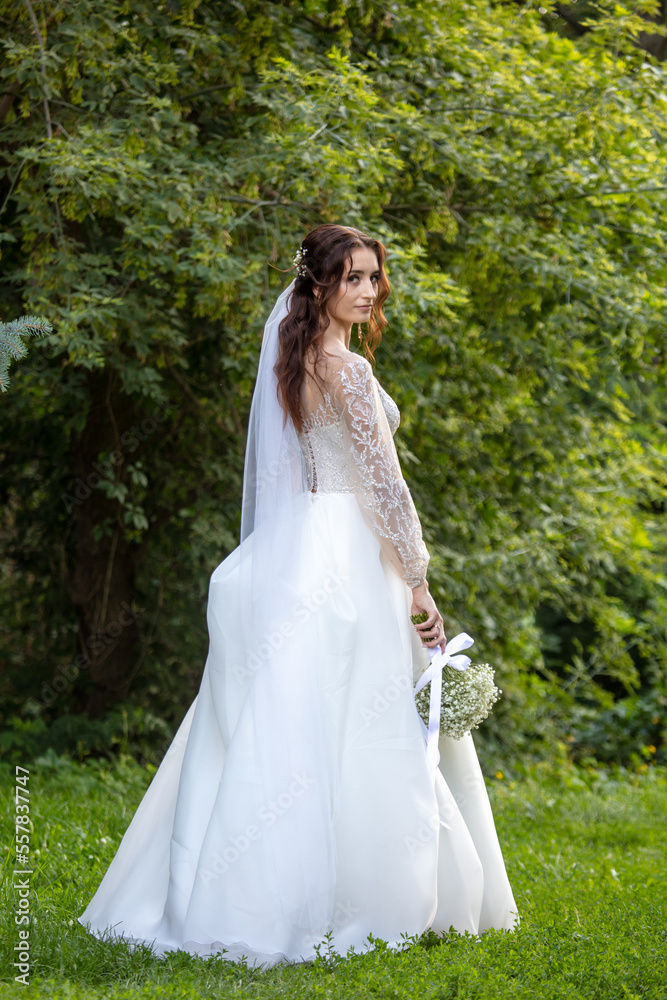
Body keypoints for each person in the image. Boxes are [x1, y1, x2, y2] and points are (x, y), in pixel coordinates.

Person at [79, 224, 519, 968]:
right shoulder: (341, 369)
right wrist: (415, 577)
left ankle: (256, 884)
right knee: (353, 715)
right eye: (351, 277)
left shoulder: (301, 359)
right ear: (318, 285)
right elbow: (384, 484)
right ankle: (367, 891)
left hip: (304, 546)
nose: (367, 290)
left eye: (373, 277)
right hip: (350, 550)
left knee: (298, 715)